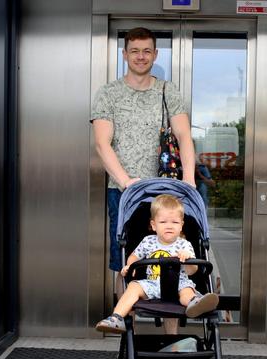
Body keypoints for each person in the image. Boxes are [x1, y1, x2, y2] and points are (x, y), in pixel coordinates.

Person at [91, 27, 197, 333]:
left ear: (155, 54)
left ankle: (172, 334)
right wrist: (126, 181)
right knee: (125, 256)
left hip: (167, 192)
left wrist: (188, 179)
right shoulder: (108, 93)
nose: (141, 56)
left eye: (147, 50)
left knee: (175, 254)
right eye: (134, 51)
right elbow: (102, 143)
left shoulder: (167, 90)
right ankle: (129, 332)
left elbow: (184, 135)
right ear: (125, 54)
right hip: (124, 192)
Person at [95, 195, 219, 333]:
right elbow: (134, 256)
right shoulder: (148, 241)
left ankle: (195, 303)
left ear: (181, 225)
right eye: (163, 222)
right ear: (154, 225)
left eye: (175, 222)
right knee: (133, 287)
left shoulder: (184, 245)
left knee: (187, 291)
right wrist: (130, 266)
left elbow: (192, 271)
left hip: (178, 284)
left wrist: (187, 258)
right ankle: (116, 317)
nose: (169, 226)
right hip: (152, 283)